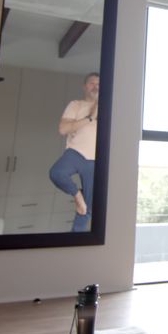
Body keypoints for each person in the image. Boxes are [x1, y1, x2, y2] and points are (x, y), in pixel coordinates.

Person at [49, 72, 100, 232]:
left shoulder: (111, 108)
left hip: (97, 161)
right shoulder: (76, 105)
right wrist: (91, 117)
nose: (96, 86)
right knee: (57, 173)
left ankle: (74, 240)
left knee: (87, 211)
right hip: (76, 152)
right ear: (85, 87)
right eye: (92, 83)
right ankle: (78, 196)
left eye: (99, 84)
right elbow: (63, 129)